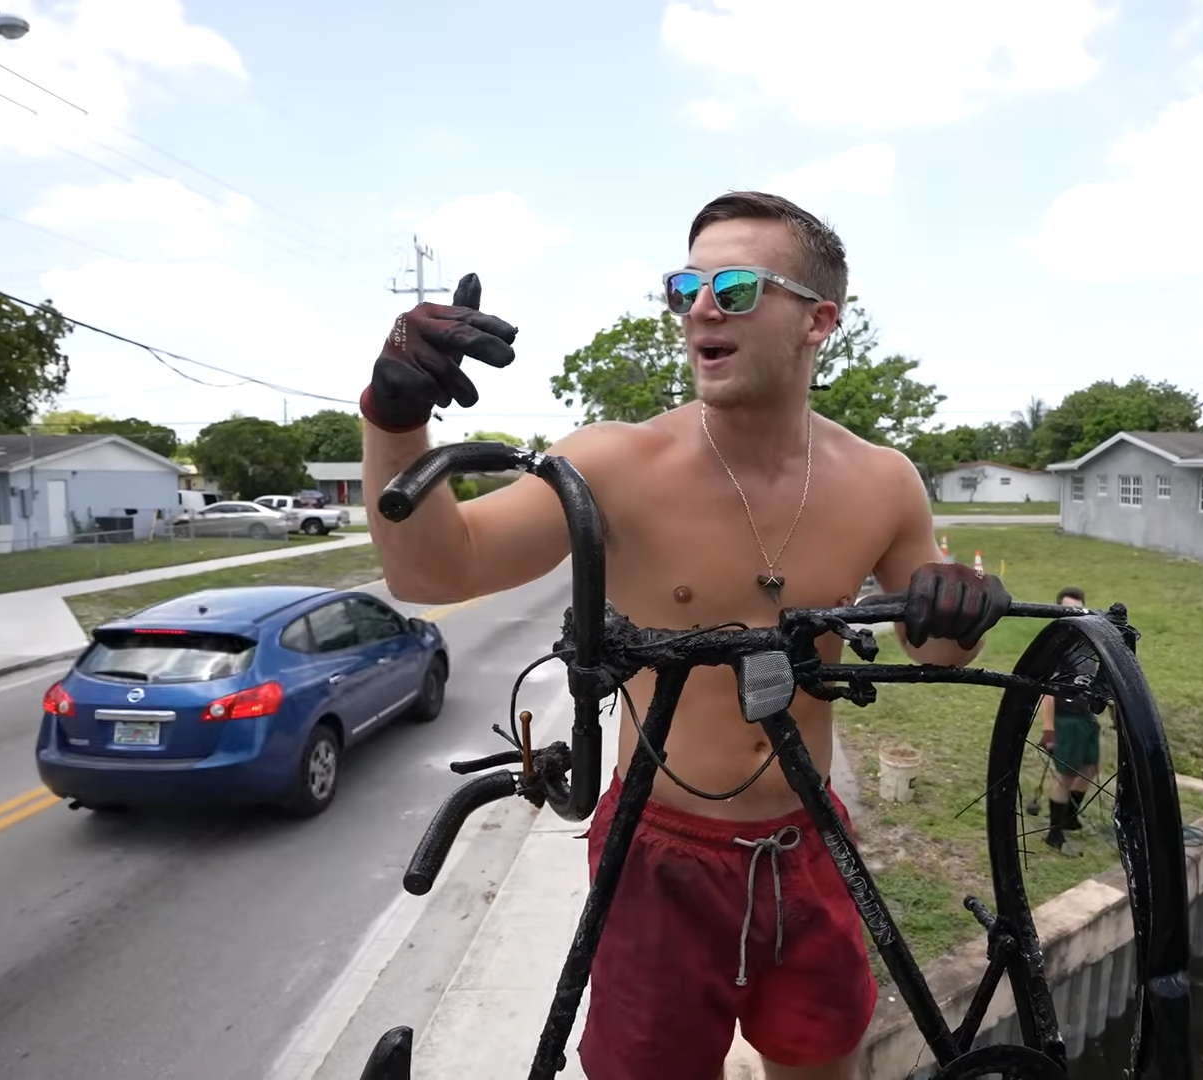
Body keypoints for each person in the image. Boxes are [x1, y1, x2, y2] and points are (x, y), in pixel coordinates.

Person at [359, 190, 1016, 1080]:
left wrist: (960, 612)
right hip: (657, 849)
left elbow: (931, 652)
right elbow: (436, 572)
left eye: (738, 287)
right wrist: (394, 421)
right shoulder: (613, 464)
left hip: (807, 840)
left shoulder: (882, 480)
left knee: (822, 1060)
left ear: (819, 320)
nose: (702, 307)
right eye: (686, 286)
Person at [1037, 587, 1101, 856]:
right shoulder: (1056, 647)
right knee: (1065, 776)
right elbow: (1045, 691)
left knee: (1090, 769)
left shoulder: (1091, 644)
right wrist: (1049, 729)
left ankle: (1070, 817)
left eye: (1076, 608)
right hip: (1064, 718)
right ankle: (1054, 834)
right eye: (1066, 609)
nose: (1072, 613)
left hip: (1086, 717)